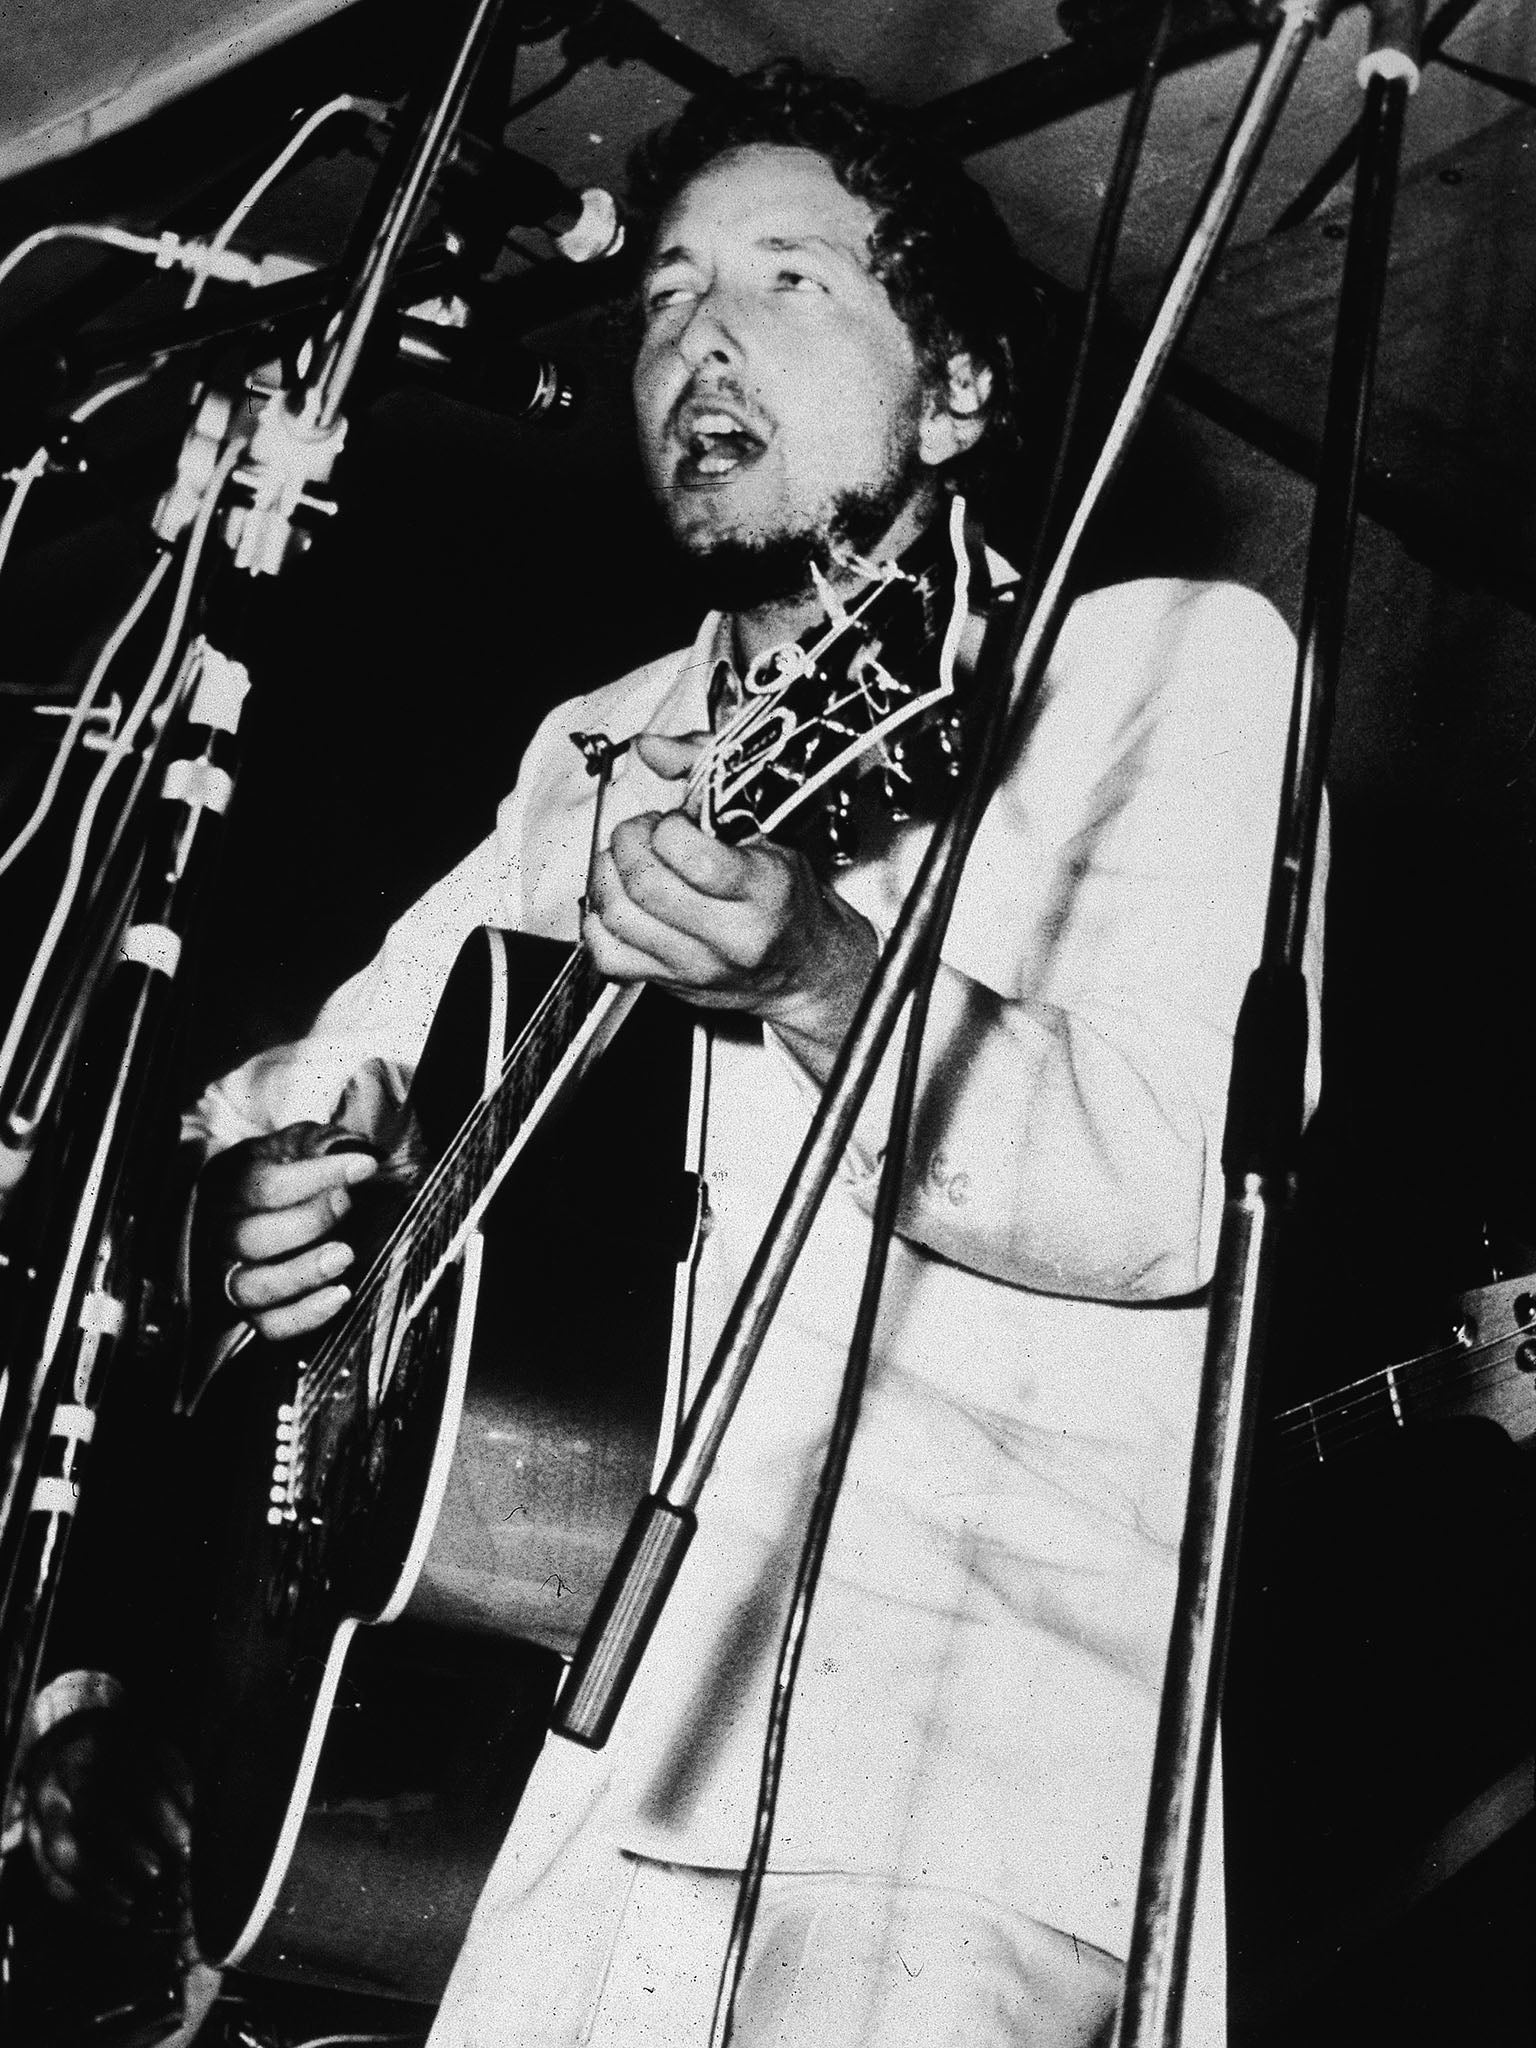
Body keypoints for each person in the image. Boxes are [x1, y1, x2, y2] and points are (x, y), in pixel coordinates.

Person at [38, 61, 1325, 2048]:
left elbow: (1167, 1191)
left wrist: (821, 973)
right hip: (549, 1776)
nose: (701, 332)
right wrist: (245, 1224)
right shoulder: (596, 746)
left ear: (960, 394)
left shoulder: (1157, 669)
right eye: (662, 292)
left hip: (941, 1789)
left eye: (791, 278)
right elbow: (302, 1089)